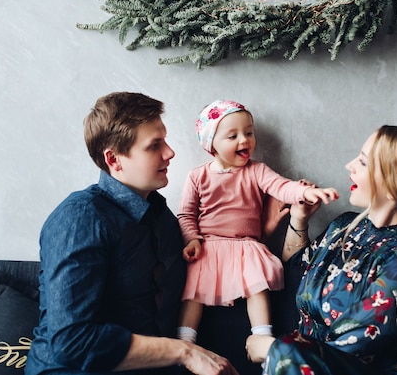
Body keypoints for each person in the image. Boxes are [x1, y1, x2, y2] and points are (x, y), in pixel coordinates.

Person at [26, 92, 238, 375]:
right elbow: (71, 342)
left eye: (165, 139)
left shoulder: (161, 216)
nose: (170, 152)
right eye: (154, 145)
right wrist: (184, 352)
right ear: (114, 159)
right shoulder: (80, 218)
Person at [245, 125, 397, 375]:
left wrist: (270, 348)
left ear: (394, 180)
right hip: (311, 365)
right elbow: (296, 267)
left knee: (285, 351)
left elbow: (348, 350)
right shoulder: (345, 225)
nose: (349, 165)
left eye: (363, 162)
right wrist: (299, 220)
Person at [176, 99, 339, 345]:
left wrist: (304, 193)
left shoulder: (256, 171)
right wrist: (191, 238)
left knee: (257, 287)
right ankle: (185, 340)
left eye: (249, 133)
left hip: (246, 246)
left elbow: (281, 186)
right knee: (193, 293)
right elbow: (186, 214)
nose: (245, 140)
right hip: (208, 246)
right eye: (232, 136)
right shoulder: (197, 177)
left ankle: (262, 336)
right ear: (212, 144)